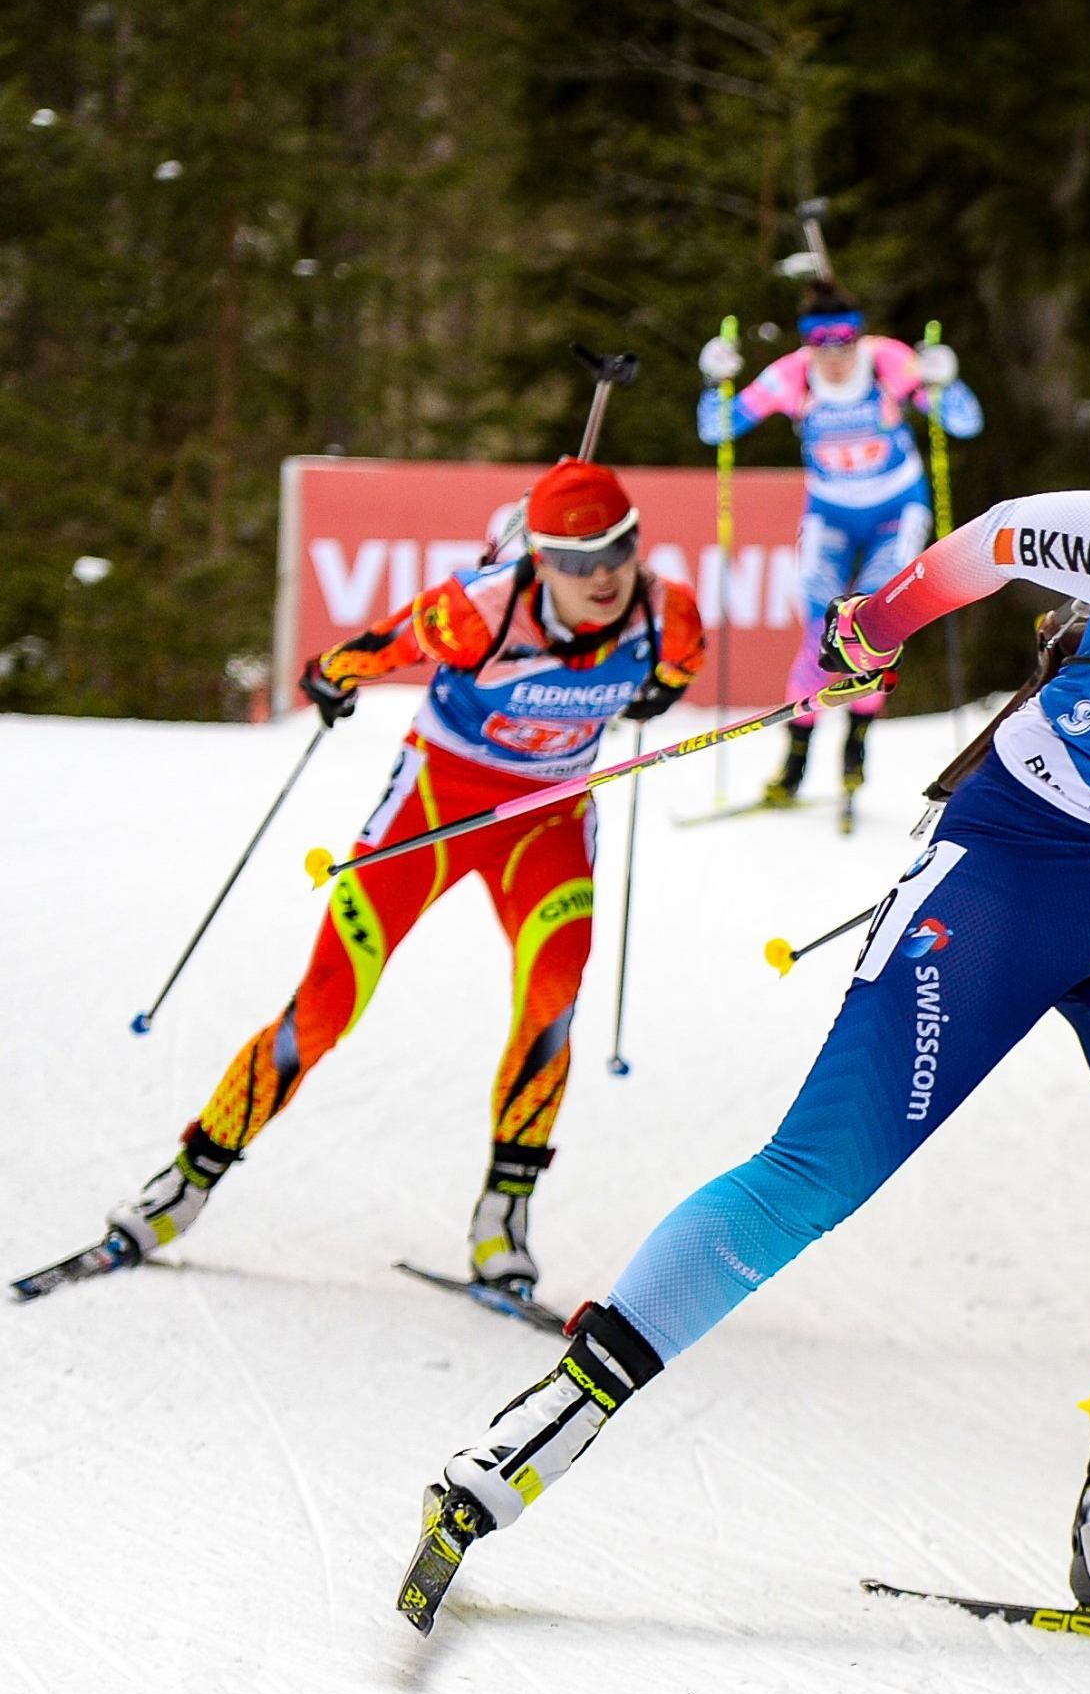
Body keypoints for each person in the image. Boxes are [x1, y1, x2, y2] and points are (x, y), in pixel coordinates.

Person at [395, 353, 1090, 1635]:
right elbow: (1003, 534)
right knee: (816, 1173)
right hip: (1019, 868)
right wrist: (876, 625)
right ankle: (541, 1430)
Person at [82, 460, 705, 1299]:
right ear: (539, 560)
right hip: (436, 809)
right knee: (326, 1003)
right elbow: (376, 648)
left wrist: (656, 695)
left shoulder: (667, 614)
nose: (602, 576)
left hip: (548, 820)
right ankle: (186, 1181)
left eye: (617, 551)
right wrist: (330, 676)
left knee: (553, 1000)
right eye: (575, 558)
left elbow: (677, 672)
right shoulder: (479, 609)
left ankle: (503, 1217)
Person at [697, 280, 984, 814]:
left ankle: (855, 748)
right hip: (829, 513)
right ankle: (795, 758)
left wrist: (947, 381)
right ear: (806, 342)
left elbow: (965, 423)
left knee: (872, 625)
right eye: (819, 344)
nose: (833, 358)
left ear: (859, 336)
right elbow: (716, 429)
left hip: (896, 510)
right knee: (818, 629)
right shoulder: (791, 375)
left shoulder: (888, 362)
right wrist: (714, 379)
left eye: (844, 342)